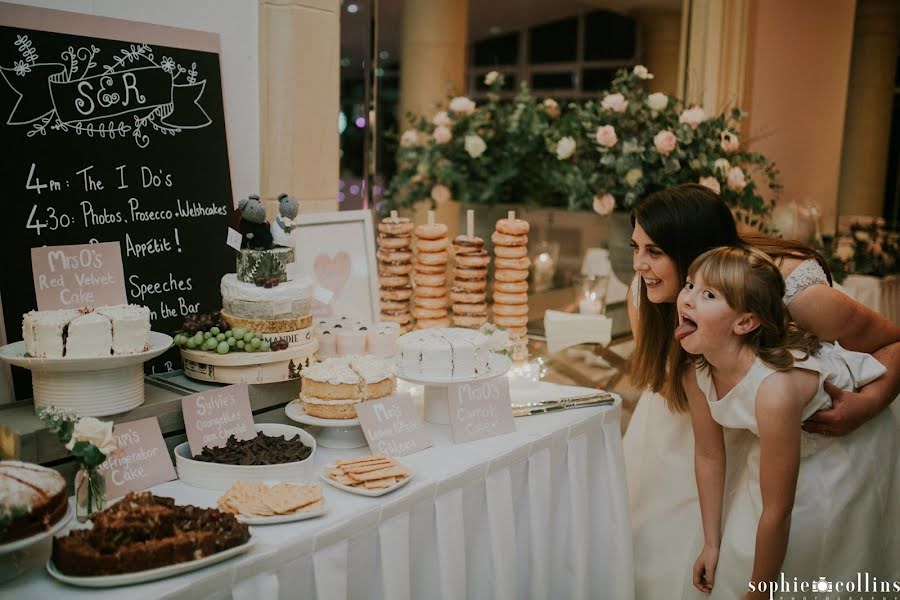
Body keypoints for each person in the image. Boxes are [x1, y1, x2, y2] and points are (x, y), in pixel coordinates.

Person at [623, 184, 900, 599]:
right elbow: (694, 406)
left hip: (799, 438)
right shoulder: (646, 294)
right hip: (710, 421)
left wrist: (867, 404)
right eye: (636, 247)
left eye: (655, 252)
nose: (639, 265)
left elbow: (893, 342)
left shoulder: (798, 299)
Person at [676, 246, 896, 599]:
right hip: (786, 441)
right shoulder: (696, 374)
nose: (686, 300)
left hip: (849, 441)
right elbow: (709, 456)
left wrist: (760, 591)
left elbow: (779, 509)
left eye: (708, 294)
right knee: (741, 551)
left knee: (821, 559)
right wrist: (712, 543)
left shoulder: (773, 390)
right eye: (689, 285)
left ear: (745, 322)